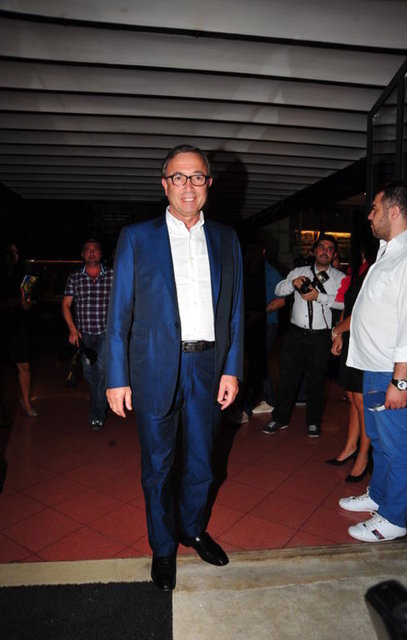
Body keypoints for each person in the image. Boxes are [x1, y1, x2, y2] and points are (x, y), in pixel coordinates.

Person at [105, 144, 244, 591]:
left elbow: (234, 311)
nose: (188, 186)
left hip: (208, 366)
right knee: (159, 466)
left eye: (197, 177)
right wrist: (116, 377)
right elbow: (119, 314)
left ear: (208, 184)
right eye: (179, 177)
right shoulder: (136, 237)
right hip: (153, 368)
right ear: (164, 184)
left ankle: (194, 529)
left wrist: (231, 369)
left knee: (203, 461)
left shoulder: (226, 238)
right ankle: (163, 547)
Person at [339, 182, 407, 542]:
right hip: (376, 368)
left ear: (394, 211)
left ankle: (392, 519)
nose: (369, 216)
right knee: (380, 441)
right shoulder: (390, 253)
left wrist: (400, 382)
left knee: (398, 446)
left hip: (396, 373)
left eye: (374, 208)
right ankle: (378, 496)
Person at [262, 234, 345, 437]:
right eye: (321, 247)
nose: (325, 251)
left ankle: (313, 422)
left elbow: (344, 303)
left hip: (320, 337)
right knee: (287, 378)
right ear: (314, 251)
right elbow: (278, 290)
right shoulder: (299, 271)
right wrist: (293, 283)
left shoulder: (340, 278)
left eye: (330, 249)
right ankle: (280, 418)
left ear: (334, 254)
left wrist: (319, 296)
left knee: (316, 381)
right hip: (295, 335)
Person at [327, 241, 371, 481]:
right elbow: (348, 305)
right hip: (352, 338)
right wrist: (340, 334)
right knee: (353, 397)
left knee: (361, 400)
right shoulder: (358, 269)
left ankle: (364, 456)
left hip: (366, 340)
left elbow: (362, 314)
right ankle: (351, 447)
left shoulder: (374, 267)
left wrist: (337, 330)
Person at [230, 236, 285, 423]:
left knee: (255, 363)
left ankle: (246, 408)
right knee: (258, 363)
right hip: (249, 323)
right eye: (249, 250)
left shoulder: (270, 272)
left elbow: (281, 300)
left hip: (266, 323)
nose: (251, 254)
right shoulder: (245, 270)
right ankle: (269, 400)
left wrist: (260, 313)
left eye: (256, 250)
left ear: (263, 252)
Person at [62, 239, 113, 430]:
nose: (92, 252)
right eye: (88, 250)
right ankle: (99, 405)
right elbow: (66, 305)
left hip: (106, 333)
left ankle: (97, 415)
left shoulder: (113, 275)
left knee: (101, 371)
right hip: (84, 336)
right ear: (82, 254)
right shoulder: (75, 277)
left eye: (95, 249)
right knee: (90, 374)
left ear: (101, 253)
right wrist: (72, 329)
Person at [0, 243, 37, 417]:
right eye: (10, 252)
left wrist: (26, 302)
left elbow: (26, 303)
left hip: (16, 323)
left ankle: (26, 402)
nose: (13, 256)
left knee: (24, 364)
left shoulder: (24, 274)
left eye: (16, 252)